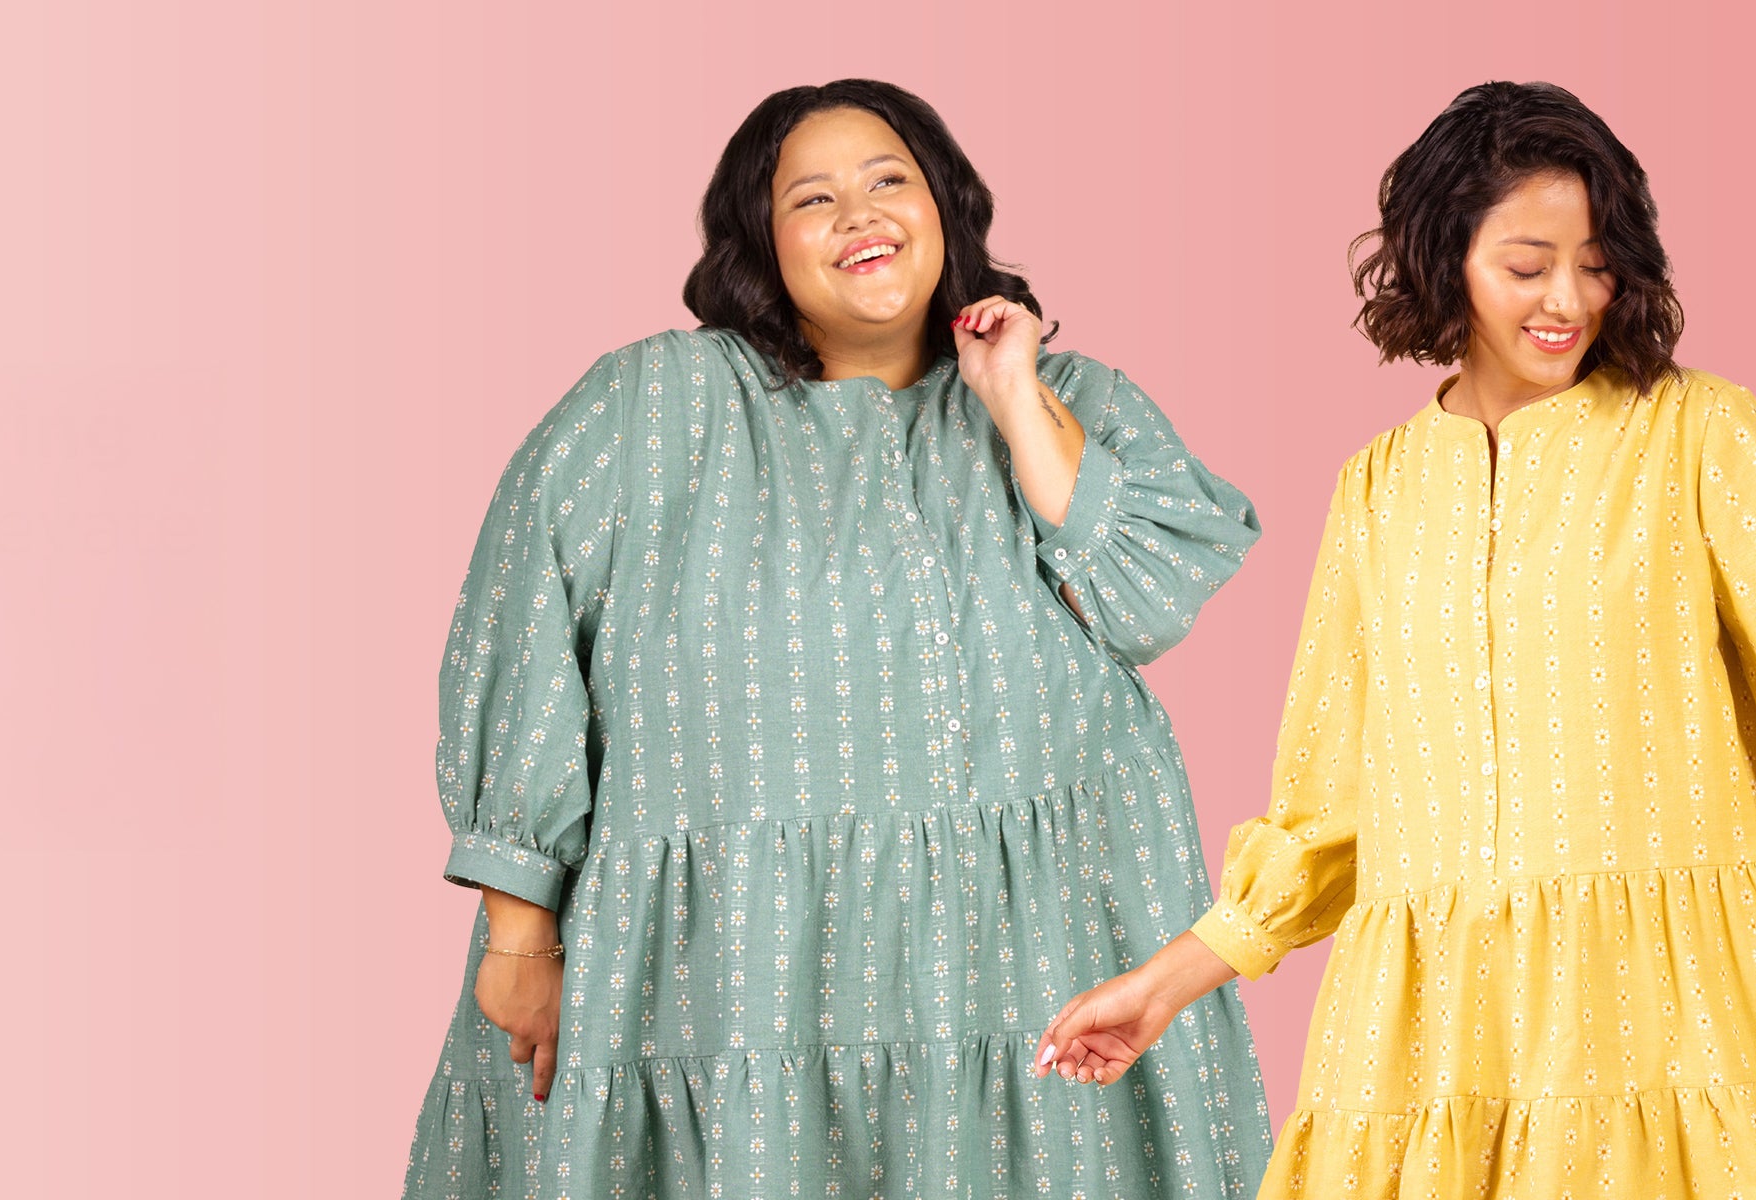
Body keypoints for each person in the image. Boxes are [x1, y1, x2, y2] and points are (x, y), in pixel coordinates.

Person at [1031, 81, 1756, 1196]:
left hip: (1660, 1019)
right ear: (1445, 263)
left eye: (1595, 262)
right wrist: (1158, 989)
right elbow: (1332, 806)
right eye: (1526, 264)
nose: (1568, 299)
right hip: (1430, 1044)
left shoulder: (1697, 435)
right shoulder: (1376, 489)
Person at [402, 79, 1275, 1198]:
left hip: (1029, 980)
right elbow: (516, 644)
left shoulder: (1070, 402)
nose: (859, 215)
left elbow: (1144, 599)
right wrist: (520, 937)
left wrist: (1012, 395)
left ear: (945, 207)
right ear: (761, 244)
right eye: (812, 198)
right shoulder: (650, 407)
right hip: (712, 987)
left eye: (888, 182)